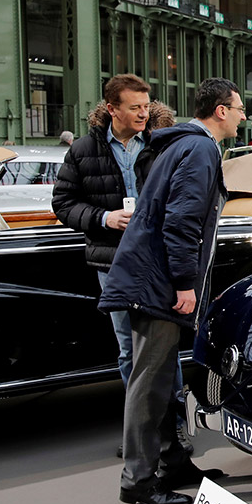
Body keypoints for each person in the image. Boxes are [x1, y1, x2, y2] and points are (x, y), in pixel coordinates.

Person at [101, 78, 241, 504]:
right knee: (149, 384)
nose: (241, 116)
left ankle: (173, 463)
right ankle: (138, 483)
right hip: (159, 285)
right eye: (237, 108)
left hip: (151, 280)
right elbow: (180, 222)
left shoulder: (180, 145)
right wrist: (185, 284)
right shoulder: (199, 149)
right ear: (220, 110)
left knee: (160, 380)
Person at [52, 76, 192, 456]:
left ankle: (175, 428)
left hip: (159, 260)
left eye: (147, 106)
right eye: (135, 107)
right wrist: (103, 218)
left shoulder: (165, 145)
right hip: (113, 262)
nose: (143, 113)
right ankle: (140, 434)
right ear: (112, 109)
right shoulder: (83, 151)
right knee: (130, 350)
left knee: (164, 349)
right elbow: (63, 203)